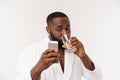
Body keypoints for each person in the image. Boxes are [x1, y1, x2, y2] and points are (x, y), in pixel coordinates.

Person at [16, 12, 102, 80]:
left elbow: (97, 78)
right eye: (59, 29)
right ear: (48, 29)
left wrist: (84, 57)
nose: (65, 33)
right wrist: (39, 67)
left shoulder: (76, 51)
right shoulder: (30, 51)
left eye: (67, 28)